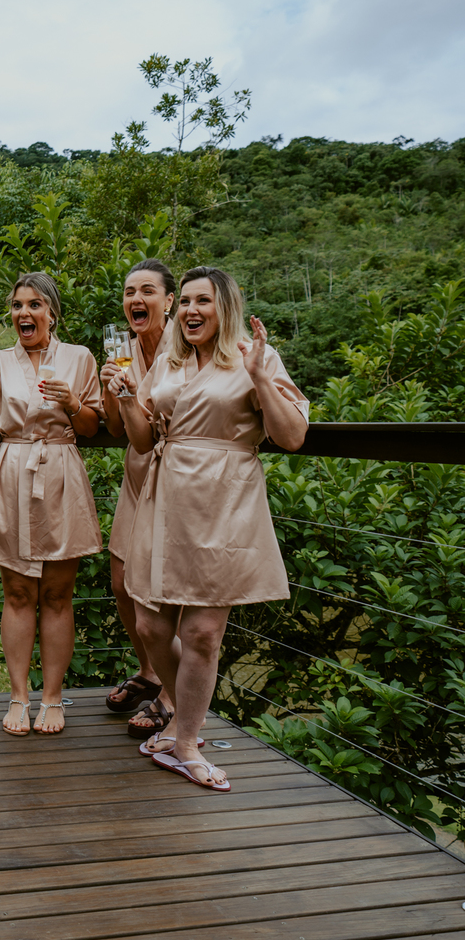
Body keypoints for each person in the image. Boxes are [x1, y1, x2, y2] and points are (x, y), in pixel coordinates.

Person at [113, 266, 308, 789]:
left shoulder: (254, 356)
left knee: (201, 631)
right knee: (152, 625)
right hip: (165, 492)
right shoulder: (170, 360)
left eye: (205, 301)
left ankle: (185, 743)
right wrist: (128, 396)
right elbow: (139, 439)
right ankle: (183, 718)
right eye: (187, 302)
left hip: (224, 496)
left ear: (226, 308)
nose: (192, 311)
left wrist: (263, 378)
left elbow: (291, 436)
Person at [0, 273, 102, 735]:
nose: (23, 314)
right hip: (12, 473)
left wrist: (74, 403)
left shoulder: (79, 358)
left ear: (52, 313)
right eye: (17, 306)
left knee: (57, 594)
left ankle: (52, 699)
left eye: (34, 305)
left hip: (60, 471)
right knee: (16, 593)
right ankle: (19, 696)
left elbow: (95, 427)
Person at [100, 259, 178, 741]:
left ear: (169, 301)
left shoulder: (186, 346)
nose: (136, 300)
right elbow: (114, 427)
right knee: (121, 577)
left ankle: (171, 695)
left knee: (167, 585)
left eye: (147, 291)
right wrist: (111, 389)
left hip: (175, 476)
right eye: (129, 292)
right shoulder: (123, 349)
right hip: (136, 476)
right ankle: (149, 672)